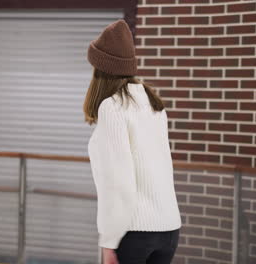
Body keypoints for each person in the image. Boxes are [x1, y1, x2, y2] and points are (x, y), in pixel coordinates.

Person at [83, 19, 182, 264]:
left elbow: (119, 182)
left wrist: (109, 241)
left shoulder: (112, 107)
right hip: (169, 228)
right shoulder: (153, 103)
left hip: (133, 232)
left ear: (100, 69)